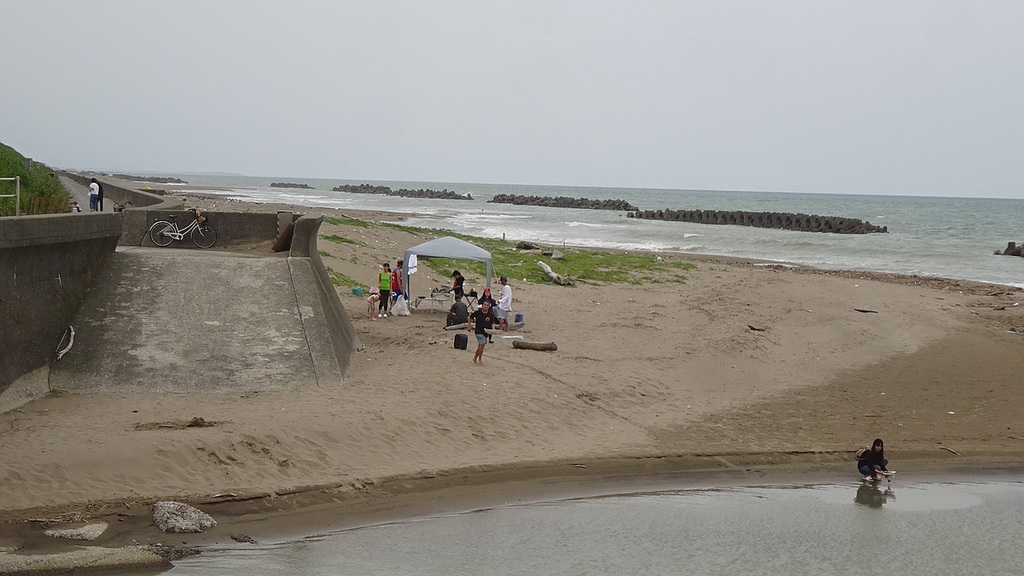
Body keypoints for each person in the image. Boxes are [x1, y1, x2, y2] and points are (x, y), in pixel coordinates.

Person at [468, 299, 496, 363]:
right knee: (482, 343)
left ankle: (480, 358)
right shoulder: (477, 313)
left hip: (486, 332)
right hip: (478, 331)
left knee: (481, 346)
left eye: (487, 305)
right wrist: (469, 325)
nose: (485, 306)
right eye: (484, 305)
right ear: (482, 305)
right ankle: (475, 358)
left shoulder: (491, 314)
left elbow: (493, 323)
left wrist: (493, 329)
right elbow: (470, 317)